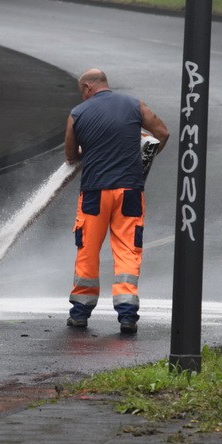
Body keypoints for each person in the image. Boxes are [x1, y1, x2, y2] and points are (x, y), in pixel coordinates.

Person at [64, 68, 169, 334]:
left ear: (88, 87)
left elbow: (70, 157)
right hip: (130, 192)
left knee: (87, 251)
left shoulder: (77, 114)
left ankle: (80, 313)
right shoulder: (135, 105)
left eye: (82, 92)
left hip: (94, 194)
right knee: (127, 252)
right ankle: (127, 315)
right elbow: (162, 133)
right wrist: (145, 157)